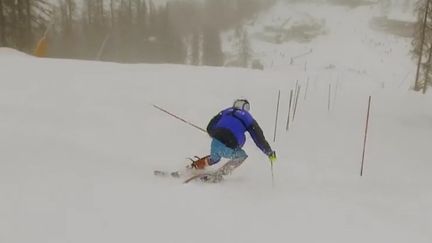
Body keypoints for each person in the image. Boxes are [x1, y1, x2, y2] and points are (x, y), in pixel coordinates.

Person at [191, 99, 276, 175]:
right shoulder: (247, 117)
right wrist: (269, 152)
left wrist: (215, 134)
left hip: (215, 142)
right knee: (241, 155)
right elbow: (259, 138)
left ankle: (197, 165)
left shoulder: (226, 111)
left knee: (215, 158)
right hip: (230, 143)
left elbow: (209, 127)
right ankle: (220, 173)